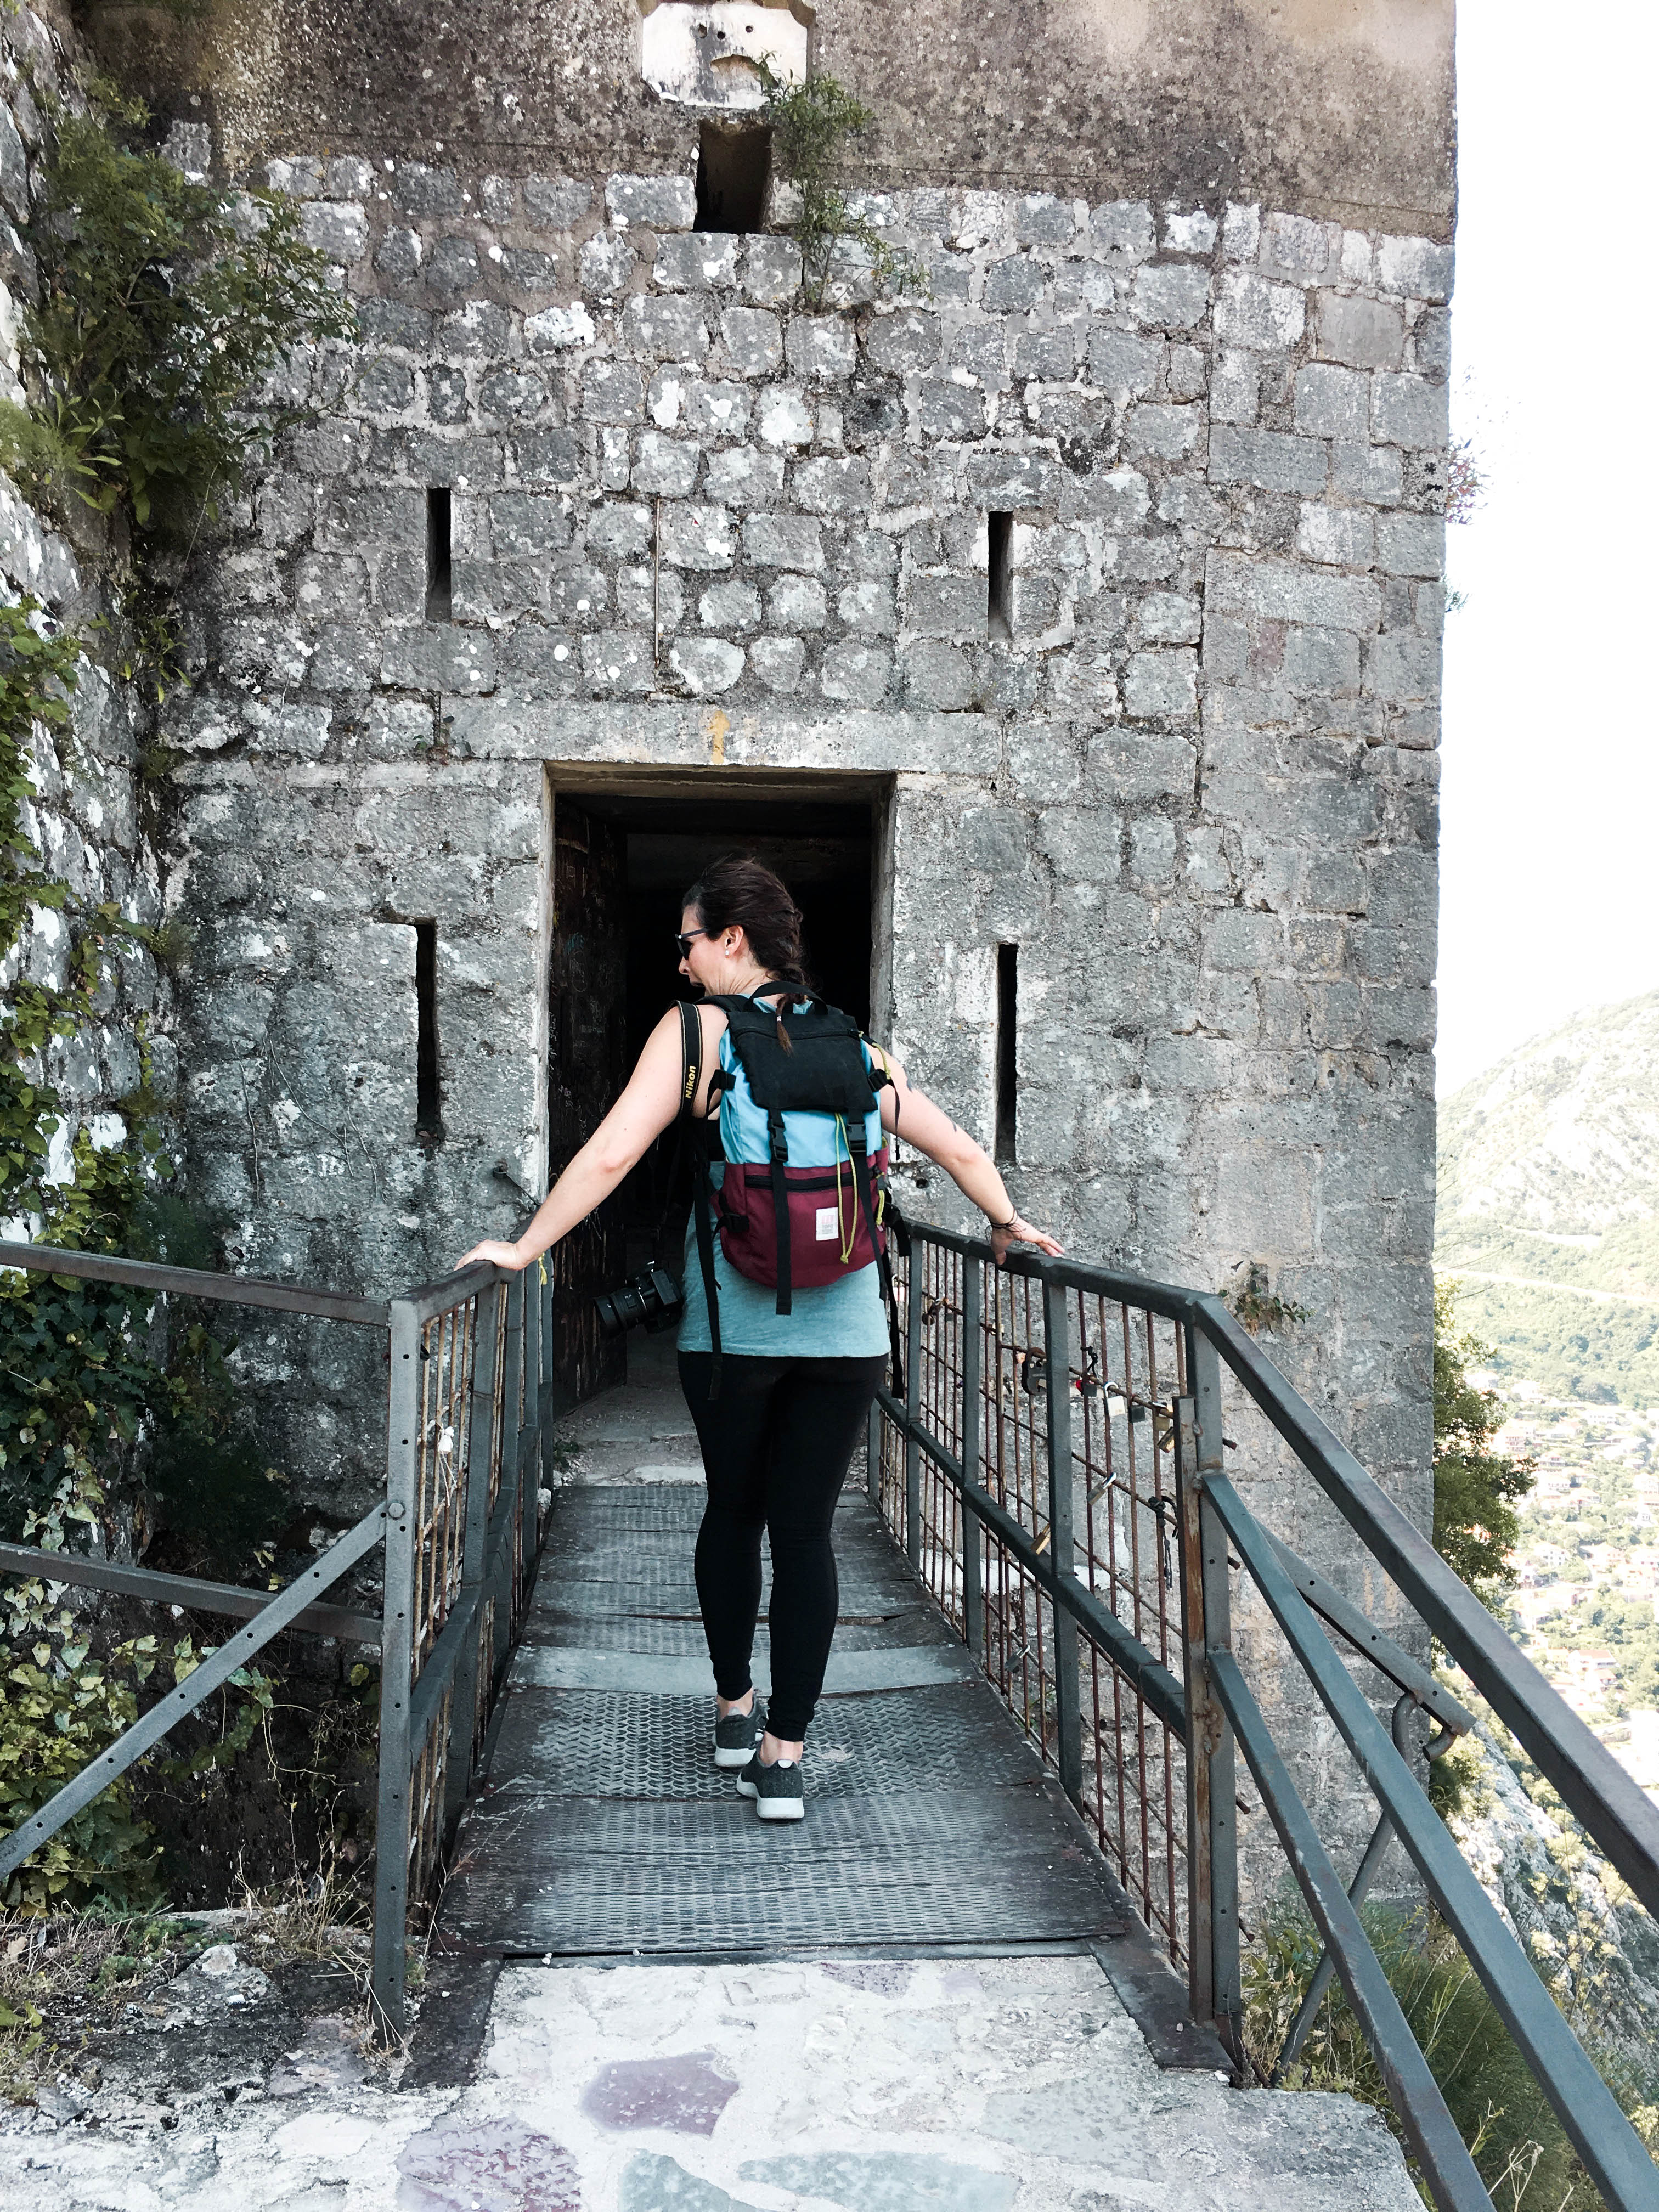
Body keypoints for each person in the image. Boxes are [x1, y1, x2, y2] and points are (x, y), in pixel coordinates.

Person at [460, 854, 1063, 1823]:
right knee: (810, 1532)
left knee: (735, 1514)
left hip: (733, 1329)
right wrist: (1005, 1225)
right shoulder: (854, 1045)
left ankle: (735, 1711)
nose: (683, 962)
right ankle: (784, 1760)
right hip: (854, 1330)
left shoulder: (696, 1035)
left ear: (730, 939)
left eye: (689, 941)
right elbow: (952, 1145)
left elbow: (615, 1150)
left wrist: (526, 1245)